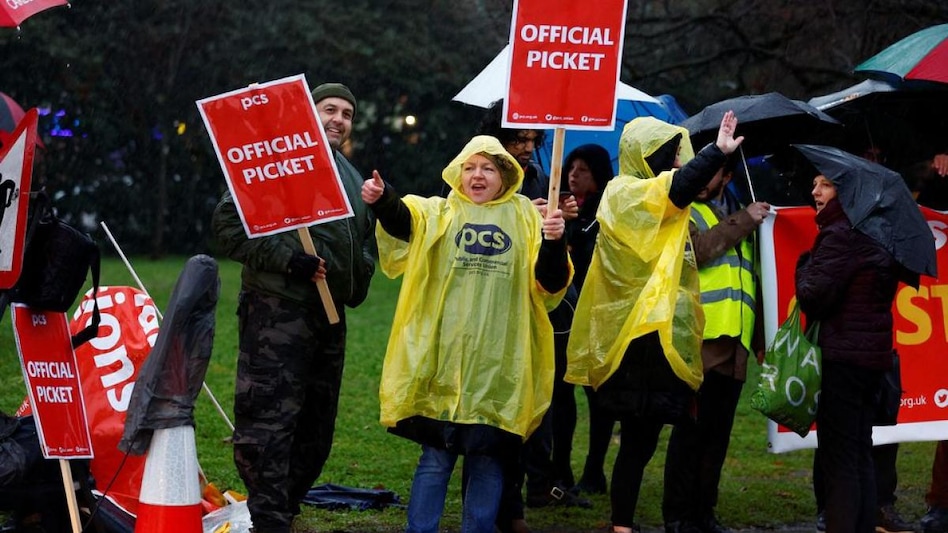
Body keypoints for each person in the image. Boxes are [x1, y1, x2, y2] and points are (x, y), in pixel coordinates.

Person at [362, 135, 572, 533]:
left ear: (507, 175)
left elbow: (550, 283)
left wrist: (554, 242)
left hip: (498, 366)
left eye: (489, 168)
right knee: (436, 458)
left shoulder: (528, 218)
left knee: (489, 458)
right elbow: (405, 220)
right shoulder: (440, 212)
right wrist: (382, 198)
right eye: (470, 167)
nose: (478, 175)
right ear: (458, 173)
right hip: (443, 362)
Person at [566, 111, 745, 533]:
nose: (674, 163)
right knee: (635, 438)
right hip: (633, 339)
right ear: (645, 157)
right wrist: (714, 152)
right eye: (668, 155)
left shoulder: (653, 194)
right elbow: (679, 188)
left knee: (643, 439)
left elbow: (682, 190)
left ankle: (633, 519)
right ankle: (622, 523)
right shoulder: (626, 193)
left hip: (658, 336)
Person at [211, 82, 376, 533]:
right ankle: (270, 517)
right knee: (268, 423)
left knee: (315, 428)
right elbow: (229, 226)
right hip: (277, 314)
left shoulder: (354, 178)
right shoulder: (275, 163)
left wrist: (357, 276)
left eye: (346, 112)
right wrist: (289, 259)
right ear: (308, 112)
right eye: (329, 109)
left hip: (330, 318)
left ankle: (288, 504)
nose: (338, 119)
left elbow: (363, 241)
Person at [475, 101, 587, 533]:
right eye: (518, 139)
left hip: (542, 306)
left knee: (541, 404)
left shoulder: (542, 174)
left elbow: (554, 255)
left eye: (531, 139)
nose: (526, 147)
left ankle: (533, 489)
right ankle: (505, 506)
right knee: (496, 410)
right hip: (495, 306)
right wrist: (521, 216)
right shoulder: (478, 171)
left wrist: (563, 225)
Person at [662, 156, 769, 533]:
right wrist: (743, 220)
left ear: (727, 176)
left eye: (711, 172)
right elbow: (698, 252)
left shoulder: (741, 216)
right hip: (701, 341)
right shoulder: (684, 210)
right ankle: (676, 515)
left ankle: (703, 513)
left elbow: (749, 282)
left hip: (735, 343)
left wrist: (758, 340)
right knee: (690, 434)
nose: (701, 178)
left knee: (717, 437)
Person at [795, 170, 905, 533]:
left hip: (842, 359)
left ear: (846, 194)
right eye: (815, 184)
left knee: (840, 458)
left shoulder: (841, 235)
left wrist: (805, 267)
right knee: (860, 453)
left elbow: (814, 297)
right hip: (873, 359)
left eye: (825, 184)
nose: (815, 191)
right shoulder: (880, 234)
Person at [553, 143, 617, 495]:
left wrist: (578, 230)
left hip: (596, 317)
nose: (573, 176)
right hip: (564, 317)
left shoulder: (606, 214)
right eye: (570, 168)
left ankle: (594, 469)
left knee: (599, 397)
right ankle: (558, 470)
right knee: (561, 395)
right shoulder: (557, 209)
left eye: (583, 170)